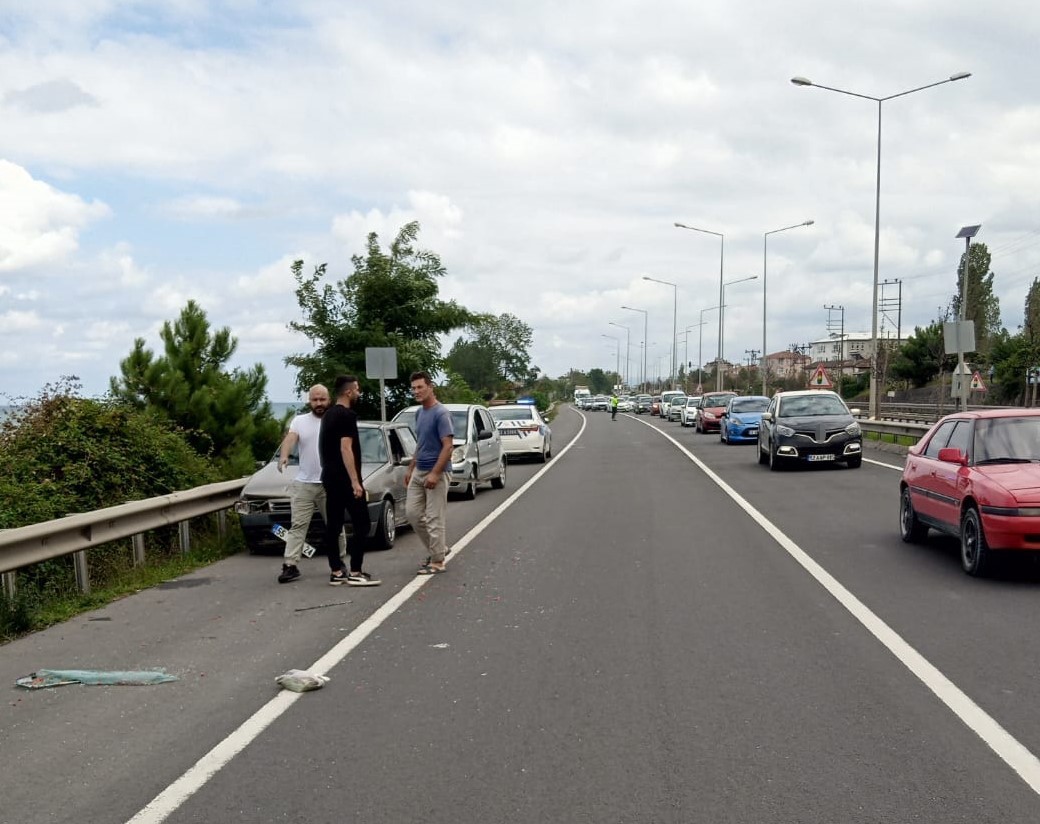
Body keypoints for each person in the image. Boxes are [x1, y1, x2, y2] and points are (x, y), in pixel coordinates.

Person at [276, 385, 346, 583]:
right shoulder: (300, 421)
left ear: (329, 399)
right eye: (315, 400)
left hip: (330, 483)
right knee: (298, 525)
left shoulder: (336, 419)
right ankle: (290, 565)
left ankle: (340, 562)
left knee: (335, 525)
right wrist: (284, 455)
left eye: (322, 400)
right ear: (309, 401)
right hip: (305, 483)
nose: (319, 404)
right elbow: (290, 439)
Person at [319, 375, 380, 587]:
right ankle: (355, 570)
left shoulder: (328, 415)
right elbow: (346, 448)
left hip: (329, 477)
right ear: (348, 392)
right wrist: (355, 482)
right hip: (345, 479)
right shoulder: (347, 416)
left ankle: (336, 571)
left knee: (334, 525)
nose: (358, 393)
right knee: (362, 524)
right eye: (357, 389)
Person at [405, 371, 454, 575]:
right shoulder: (419, 413)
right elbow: (421, 443)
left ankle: (437, 561)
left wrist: (435, 473)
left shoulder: (441, 413)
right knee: (413, 514)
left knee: (434, 518)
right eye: (414, 388)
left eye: (420, 387)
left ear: (430, 387)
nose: (416, 391)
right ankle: (439, 549)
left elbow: (448, 446)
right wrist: (411, 467)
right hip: (419, 470)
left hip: (438, 472)